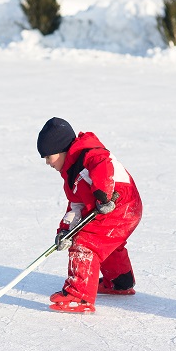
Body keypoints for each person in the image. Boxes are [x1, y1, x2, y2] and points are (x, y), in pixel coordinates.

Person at [36, 117, 143, 313]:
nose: (47, 162)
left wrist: (103, 194)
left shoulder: (88, 154)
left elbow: (103, 164)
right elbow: (76, 207)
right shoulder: (70, 175)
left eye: (48, 156)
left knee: (85, 242)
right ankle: (120, 281)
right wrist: (65, 231)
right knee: (106, 243)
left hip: (120, 205)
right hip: (117, 209)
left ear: (61, 150)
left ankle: (79, 296)